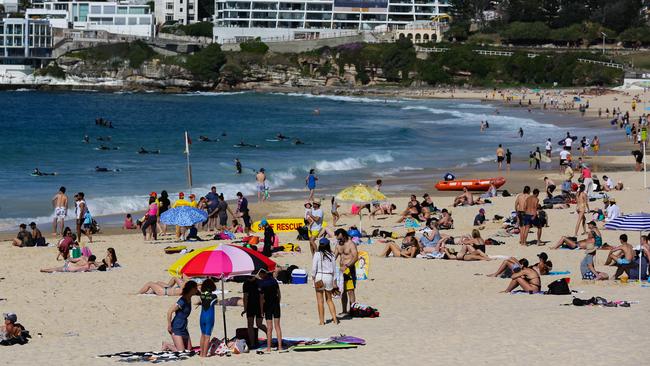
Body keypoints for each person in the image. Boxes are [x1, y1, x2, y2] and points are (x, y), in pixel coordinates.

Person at [164, 281, 199, 352]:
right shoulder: (182, 301)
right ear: (191, 289)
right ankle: (166, 345)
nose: (197, 290)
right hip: (176, 327)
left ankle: (174, 345)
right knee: (181, 352)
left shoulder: (189, 298)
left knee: (189, 350)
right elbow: (169, 312)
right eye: (195, 288)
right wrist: (169, 325)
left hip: (184, 326)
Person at [311, 238, 339, 325]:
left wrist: (313, 277)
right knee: (329, 300)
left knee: (320, 301)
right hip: (329, 277)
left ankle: (322, 321)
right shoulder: (332, 255)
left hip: (320, 276)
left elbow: (313, 269)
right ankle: (335, 319)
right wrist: (335, 282)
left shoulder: (317, 254)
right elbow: (334, 270)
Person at [334, 229, 358, 315]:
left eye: (340, 239)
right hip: (341, 271)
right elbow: (334, 257)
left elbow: (356, 257)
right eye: (338, 239)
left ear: (344, 236)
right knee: (342, 291)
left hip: (349, 269)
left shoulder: (351, 244)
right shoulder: (338, 245)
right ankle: (344, 310)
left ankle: (352, 310)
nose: (339, 241)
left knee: (350, 291)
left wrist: (347, 266)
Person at [258, 269, 282, 352]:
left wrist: (261, 310)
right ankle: (280, 347)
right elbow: (279, 294)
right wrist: (278, 303)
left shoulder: (262, 283)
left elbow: (261, 299)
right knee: (277, 326)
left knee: (269, 328)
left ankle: (268, 348)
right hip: (276, 305)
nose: (259, 276)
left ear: (262, 274)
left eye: (260, 274)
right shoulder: (274, 281)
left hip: (267, 306)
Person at [242, 274, 266, 348]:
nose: (248, 279)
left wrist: (262, 310)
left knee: (259, 324)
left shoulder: (259, 282)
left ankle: (269, 336)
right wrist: (245, 309)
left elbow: (262, 298)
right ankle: (252, 343)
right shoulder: (246, 283)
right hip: (250, 307)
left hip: (259, 306)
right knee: (250, 325)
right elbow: (245, 297)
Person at [197, 279, 218, 357]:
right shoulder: (214, 296)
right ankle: (204, 355)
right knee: (207, 336)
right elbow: (216, 302)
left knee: (202, 335)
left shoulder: (202, 296)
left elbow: (198, 301)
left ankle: (201, 353)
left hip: (202, 317)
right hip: (210, 317)